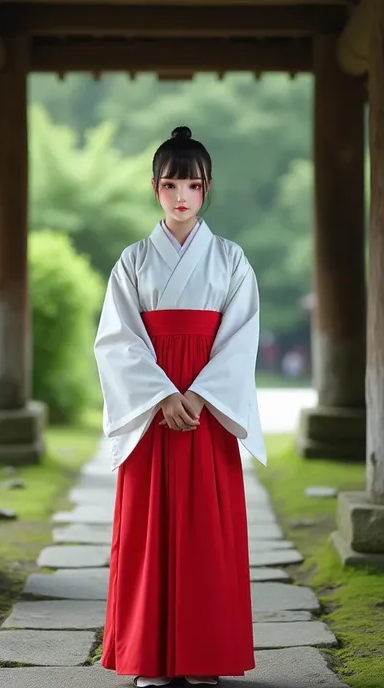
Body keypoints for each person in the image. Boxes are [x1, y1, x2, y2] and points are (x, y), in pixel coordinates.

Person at [94, 126, 267, 687]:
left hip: (204, 413)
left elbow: (241, 338)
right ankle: (149, 658)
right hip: (153, 414)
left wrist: (198, 394)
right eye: (171, 184)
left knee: (205, 534)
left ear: (207, 187)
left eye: (191, 184)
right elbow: (117, 339)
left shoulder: (232, 259)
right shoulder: (134, 260)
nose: (181, 196)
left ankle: (204, 657)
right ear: (155, 187)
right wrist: (162, 394)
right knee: (148, 533)